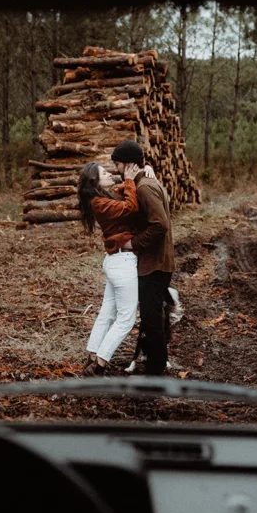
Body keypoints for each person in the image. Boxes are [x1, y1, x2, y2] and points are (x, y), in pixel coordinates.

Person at [110, 140, 176, 376]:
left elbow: (160, 225)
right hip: (156, 261)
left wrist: (133, 243)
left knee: (150, 319)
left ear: (128, 164)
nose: (116, 170)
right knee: (152, 315)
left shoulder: (145, 187)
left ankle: (156, 371)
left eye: (117, 164)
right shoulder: (146, 182)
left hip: (155, 264)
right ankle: (158, 363)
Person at [77, 160, 144, 377]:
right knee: (126, 319)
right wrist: (130, 180)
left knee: (107, 313)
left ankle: (93, 354)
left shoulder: (102, 198)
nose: (109, 173)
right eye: (104, 172)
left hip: (116, 262)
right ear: (95, 181)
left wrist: (141, 174)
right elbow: (130, 207)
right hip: (123, 264)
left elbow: (121, 191)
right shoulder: (99, 203)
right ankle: (99, 365)